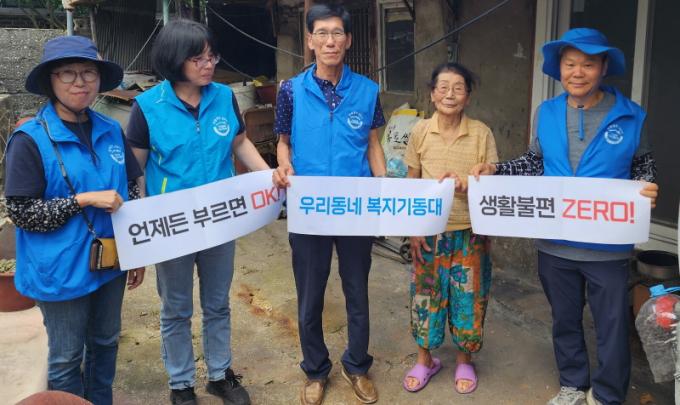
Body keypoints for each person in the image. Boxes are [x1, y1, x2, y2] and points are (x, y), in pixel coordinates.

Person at [471, 28, 659, 405]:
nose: (578, 72)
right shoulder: (547, 112)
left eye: (588, 64)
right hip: (555, 242)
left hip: (608, 245)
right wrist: (496, 169)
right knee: (564, 319)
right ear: (559, 69)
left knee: (611, 325)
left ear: (603, 67)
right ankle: (573, 384)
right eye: (570, 64)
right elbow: (533, 163)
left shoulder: (631, 115)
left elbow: (644, 165)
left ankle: (607, 395)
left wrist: (647, 186)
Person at [126, 19, 269, 405]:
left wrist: (270, 177)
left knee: (217, 303)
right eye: (198, 58)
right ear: (175, 59)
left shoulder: (223, 96)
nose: (208, 65)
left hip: (219, 220)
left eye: (212, 56)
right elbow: (135, 173)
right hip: (172, 225)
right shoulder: (147, 107)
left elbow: (240, 144)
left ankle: (220, 374)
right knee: (176, 308)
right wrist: (140, 231)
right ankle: (181, 383)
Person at [4, 35, 145, 405]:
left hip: (110, 262)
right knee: (67, 358)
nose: (80, 82)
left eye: (88, 73)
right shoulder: (30, 140)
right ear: (51, 80)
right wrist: (82, 199)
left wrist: (137, 249)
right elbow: (22, 214)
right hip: (60, 270)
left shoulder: (110, 129)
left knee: (105, 343)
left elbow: (132, 187)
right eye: (68, 73)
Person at [272, 4, 387, 405]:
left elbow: (373, 144)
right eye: (321, 33)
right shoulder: (290, 90)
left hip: (355, 209)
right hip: (309, 210)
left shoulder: (367, 91)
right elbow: (283, 143)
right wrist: (284, 166)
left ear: (348, 40)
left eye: (337, 33)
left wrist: (384, 191)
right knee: (310, 294)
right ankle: (315, 369)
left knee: (357, 291)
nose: (330, 41)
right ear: (310, 40)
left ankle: (357, 365)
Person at [402, 63, 497, 395]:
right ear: (432, 94)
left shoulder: (481, 133)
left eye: (458, 88)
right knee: (425, 296)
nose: (450, 94)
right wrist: (414, 230)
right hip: (430, 232)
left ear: (468, 96)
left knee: (468, 297)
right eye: (442, 87)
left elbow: (492, 178)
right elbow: (411, 182)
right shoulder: (420, 131)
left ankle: (464, 360)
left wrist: (479, 177)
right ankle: (425, 359)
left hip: (470, 231)